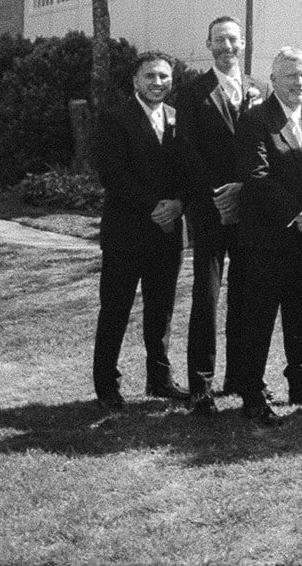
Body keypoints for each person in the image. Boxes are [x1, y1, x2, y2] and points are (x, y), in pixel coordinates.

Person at [173, 15, 263, 416]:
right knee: (206, 296)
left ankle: (242, 377)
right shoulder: (192, 93)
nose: (227, 47)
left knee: (246, 295)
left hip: (250, 208)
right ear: (209, 45)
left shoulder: (258, 89)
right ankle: (201, 385)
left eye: (233, 40)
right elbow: (186, 149)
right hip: (209, 206)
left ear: (243, 43)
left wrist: (243, 192)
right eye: (219, 41)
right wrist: (218, 194)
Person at [91, 51, 187, 410]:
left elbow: (187, 171)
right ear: (135, 81)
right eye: (150, 76)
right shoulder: (116, 118)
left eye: (164, 76)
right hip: (126, 233)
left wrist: (178, 204)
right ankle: (106, 385)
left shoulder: (178, 120)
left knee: (160, 311)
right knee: (115, 308)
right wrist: (155, 206)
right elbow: (112, 175)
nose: (158, 83)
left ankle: (159, 380)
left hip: (167, 234)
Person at [236, 47, 302, 418]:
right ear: (273, 81)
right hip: (266, 240)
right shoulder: (255, 120)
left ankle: (301, 383)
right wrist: (296, 214)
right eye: (291, 76)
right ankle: (253, 393)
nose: (299, 83)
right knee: (258, 318)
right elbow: (257, 177)